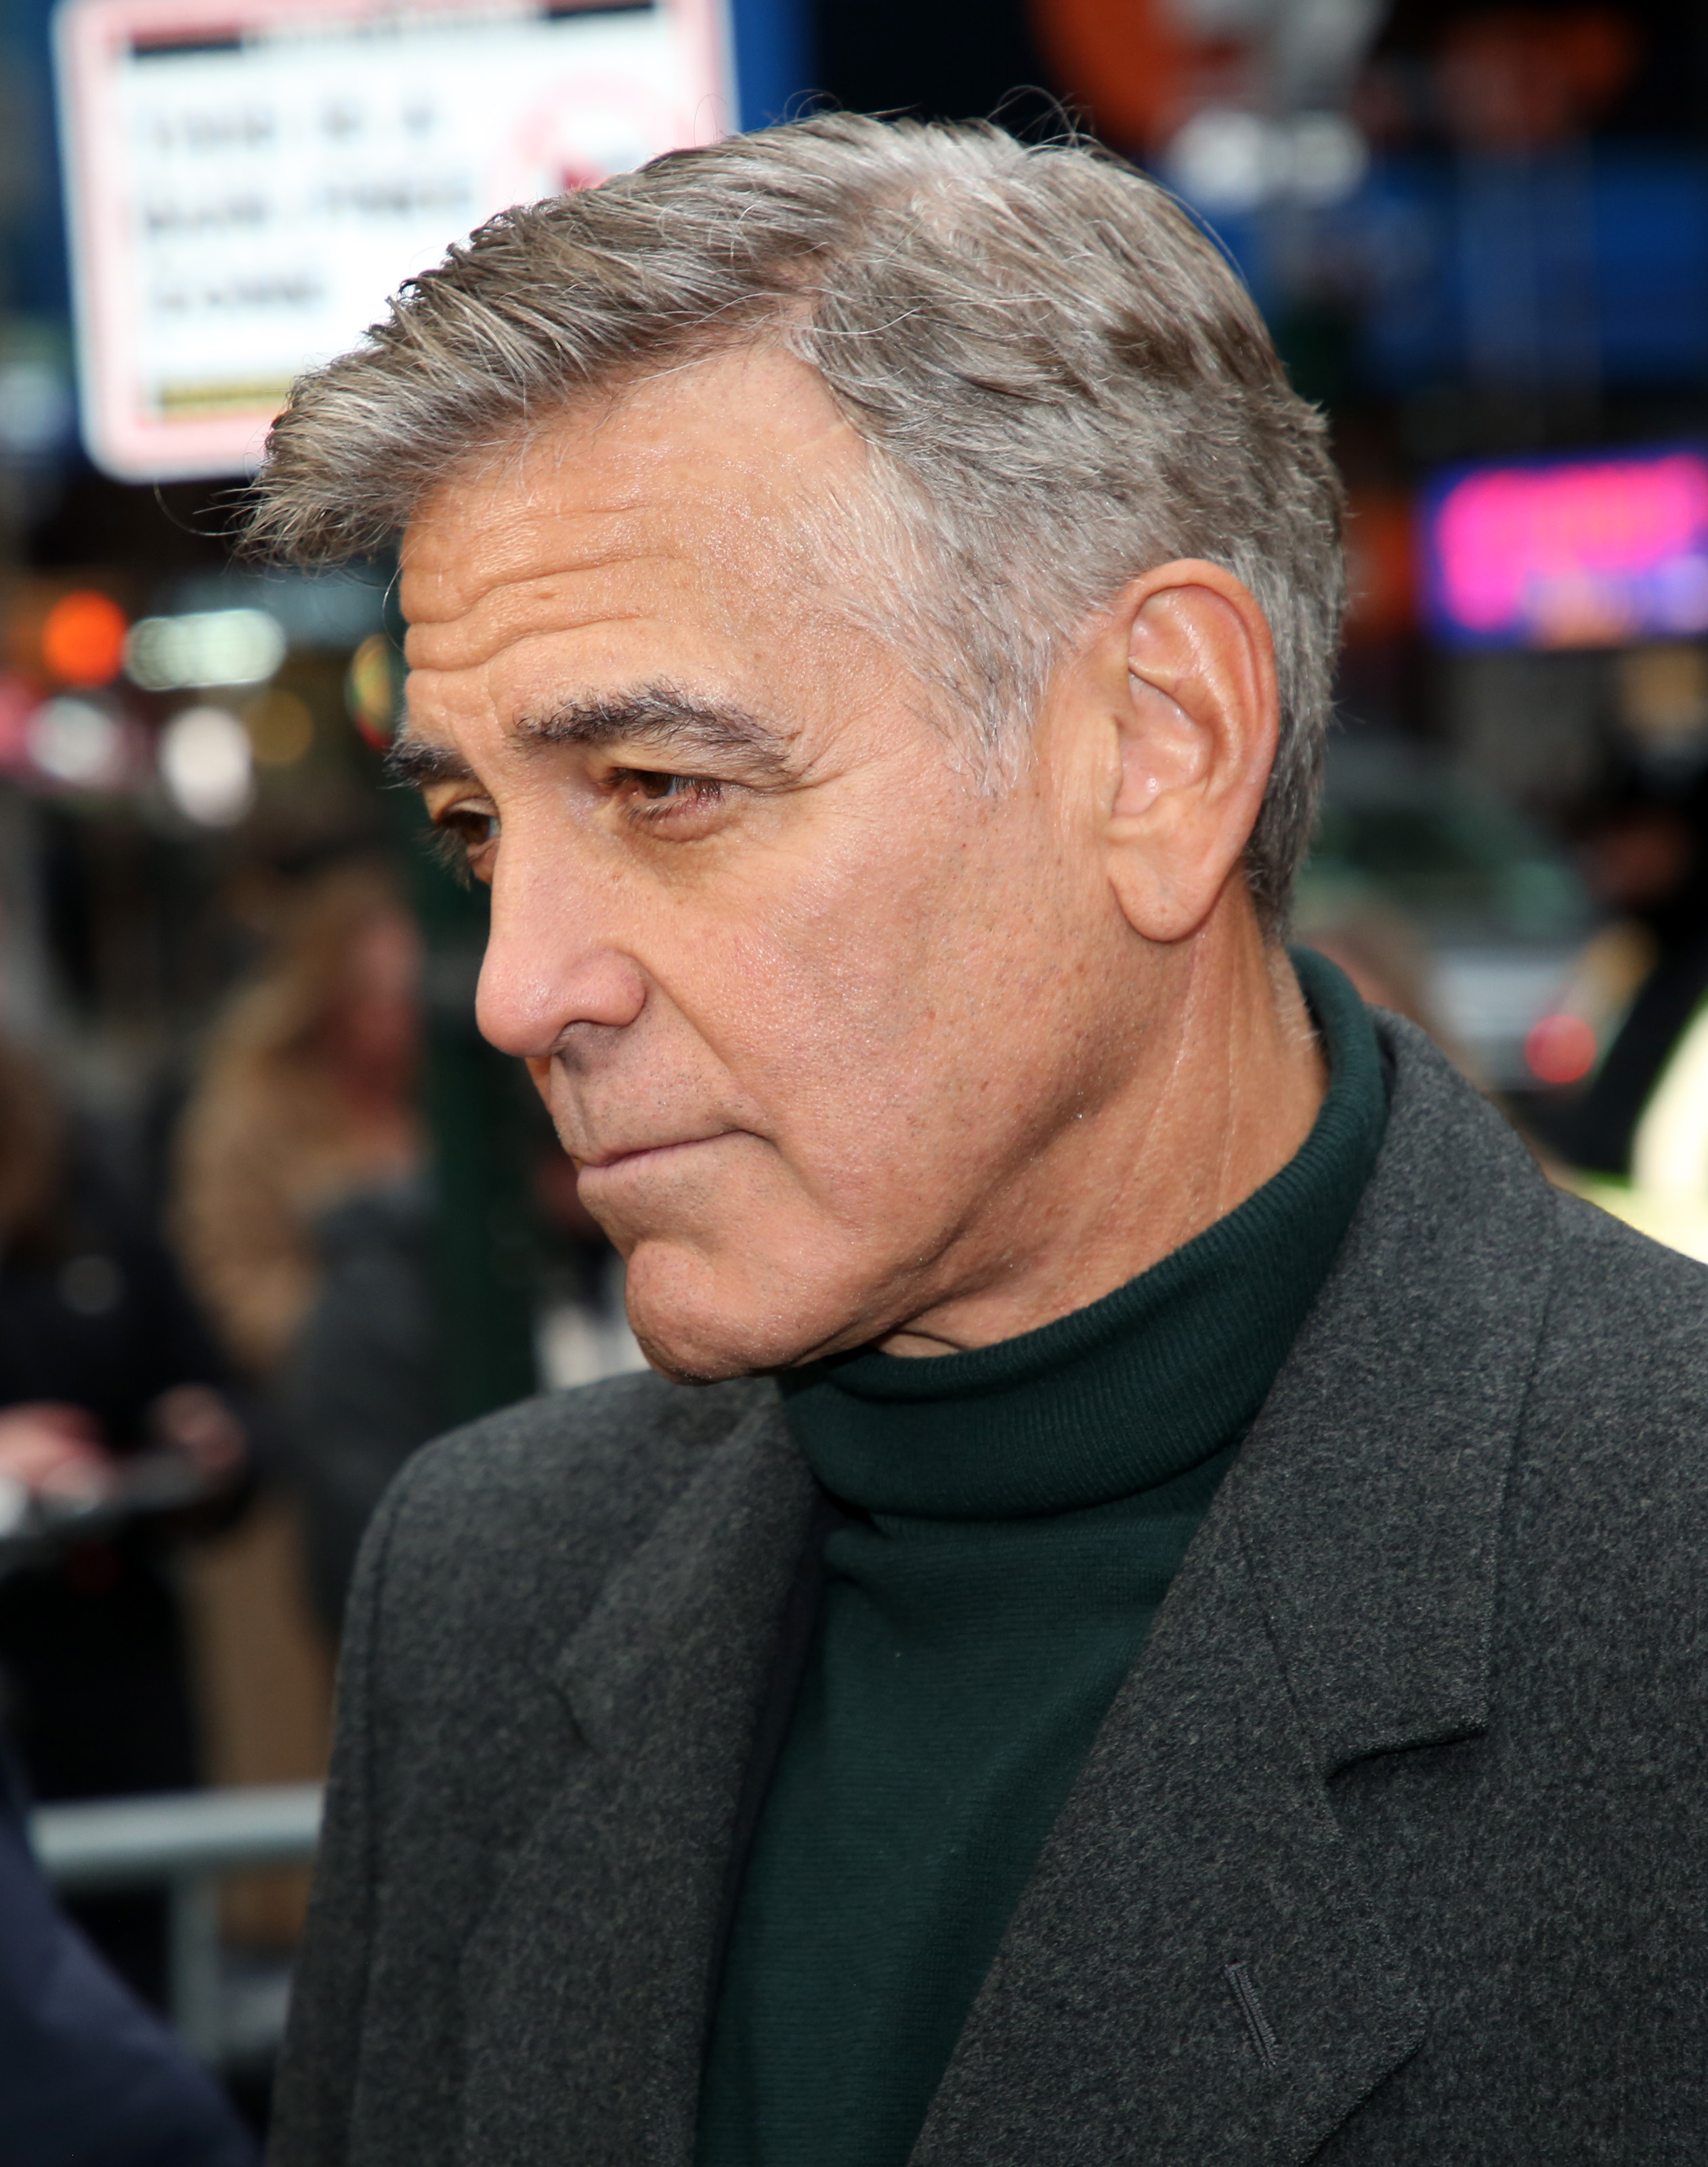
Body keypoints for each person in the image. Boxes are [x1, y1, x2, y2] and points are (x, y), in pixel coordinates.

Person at [250, 118, 1708, 2165]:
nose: (516, 989)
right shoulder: (487, 1585)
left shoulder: (1663, 1578)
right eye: (477, 829)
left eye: (662, 787)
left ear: (1160, 748)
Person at [0, 1030, 247, 2005]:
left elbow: (211, 1388)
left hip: (110, 1676)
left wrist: (207, 1444)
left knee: (139, 1995)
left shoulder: (93, 1206)